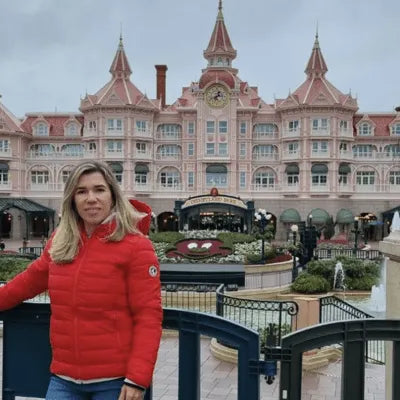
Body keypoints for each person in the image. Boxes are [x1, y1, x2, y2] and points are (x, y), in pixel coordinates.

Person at [0, 161, 163, 400]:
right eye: (82, 191)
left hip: (114, 382)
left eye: (99, 190)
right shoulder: (62, 240)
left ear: (112, 195)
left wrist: (137, 378)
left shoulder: (136, 245)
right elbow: (27, 282)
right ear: (72, 199)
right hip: (64, 379)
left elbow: (148, 315)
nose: (91, 198)